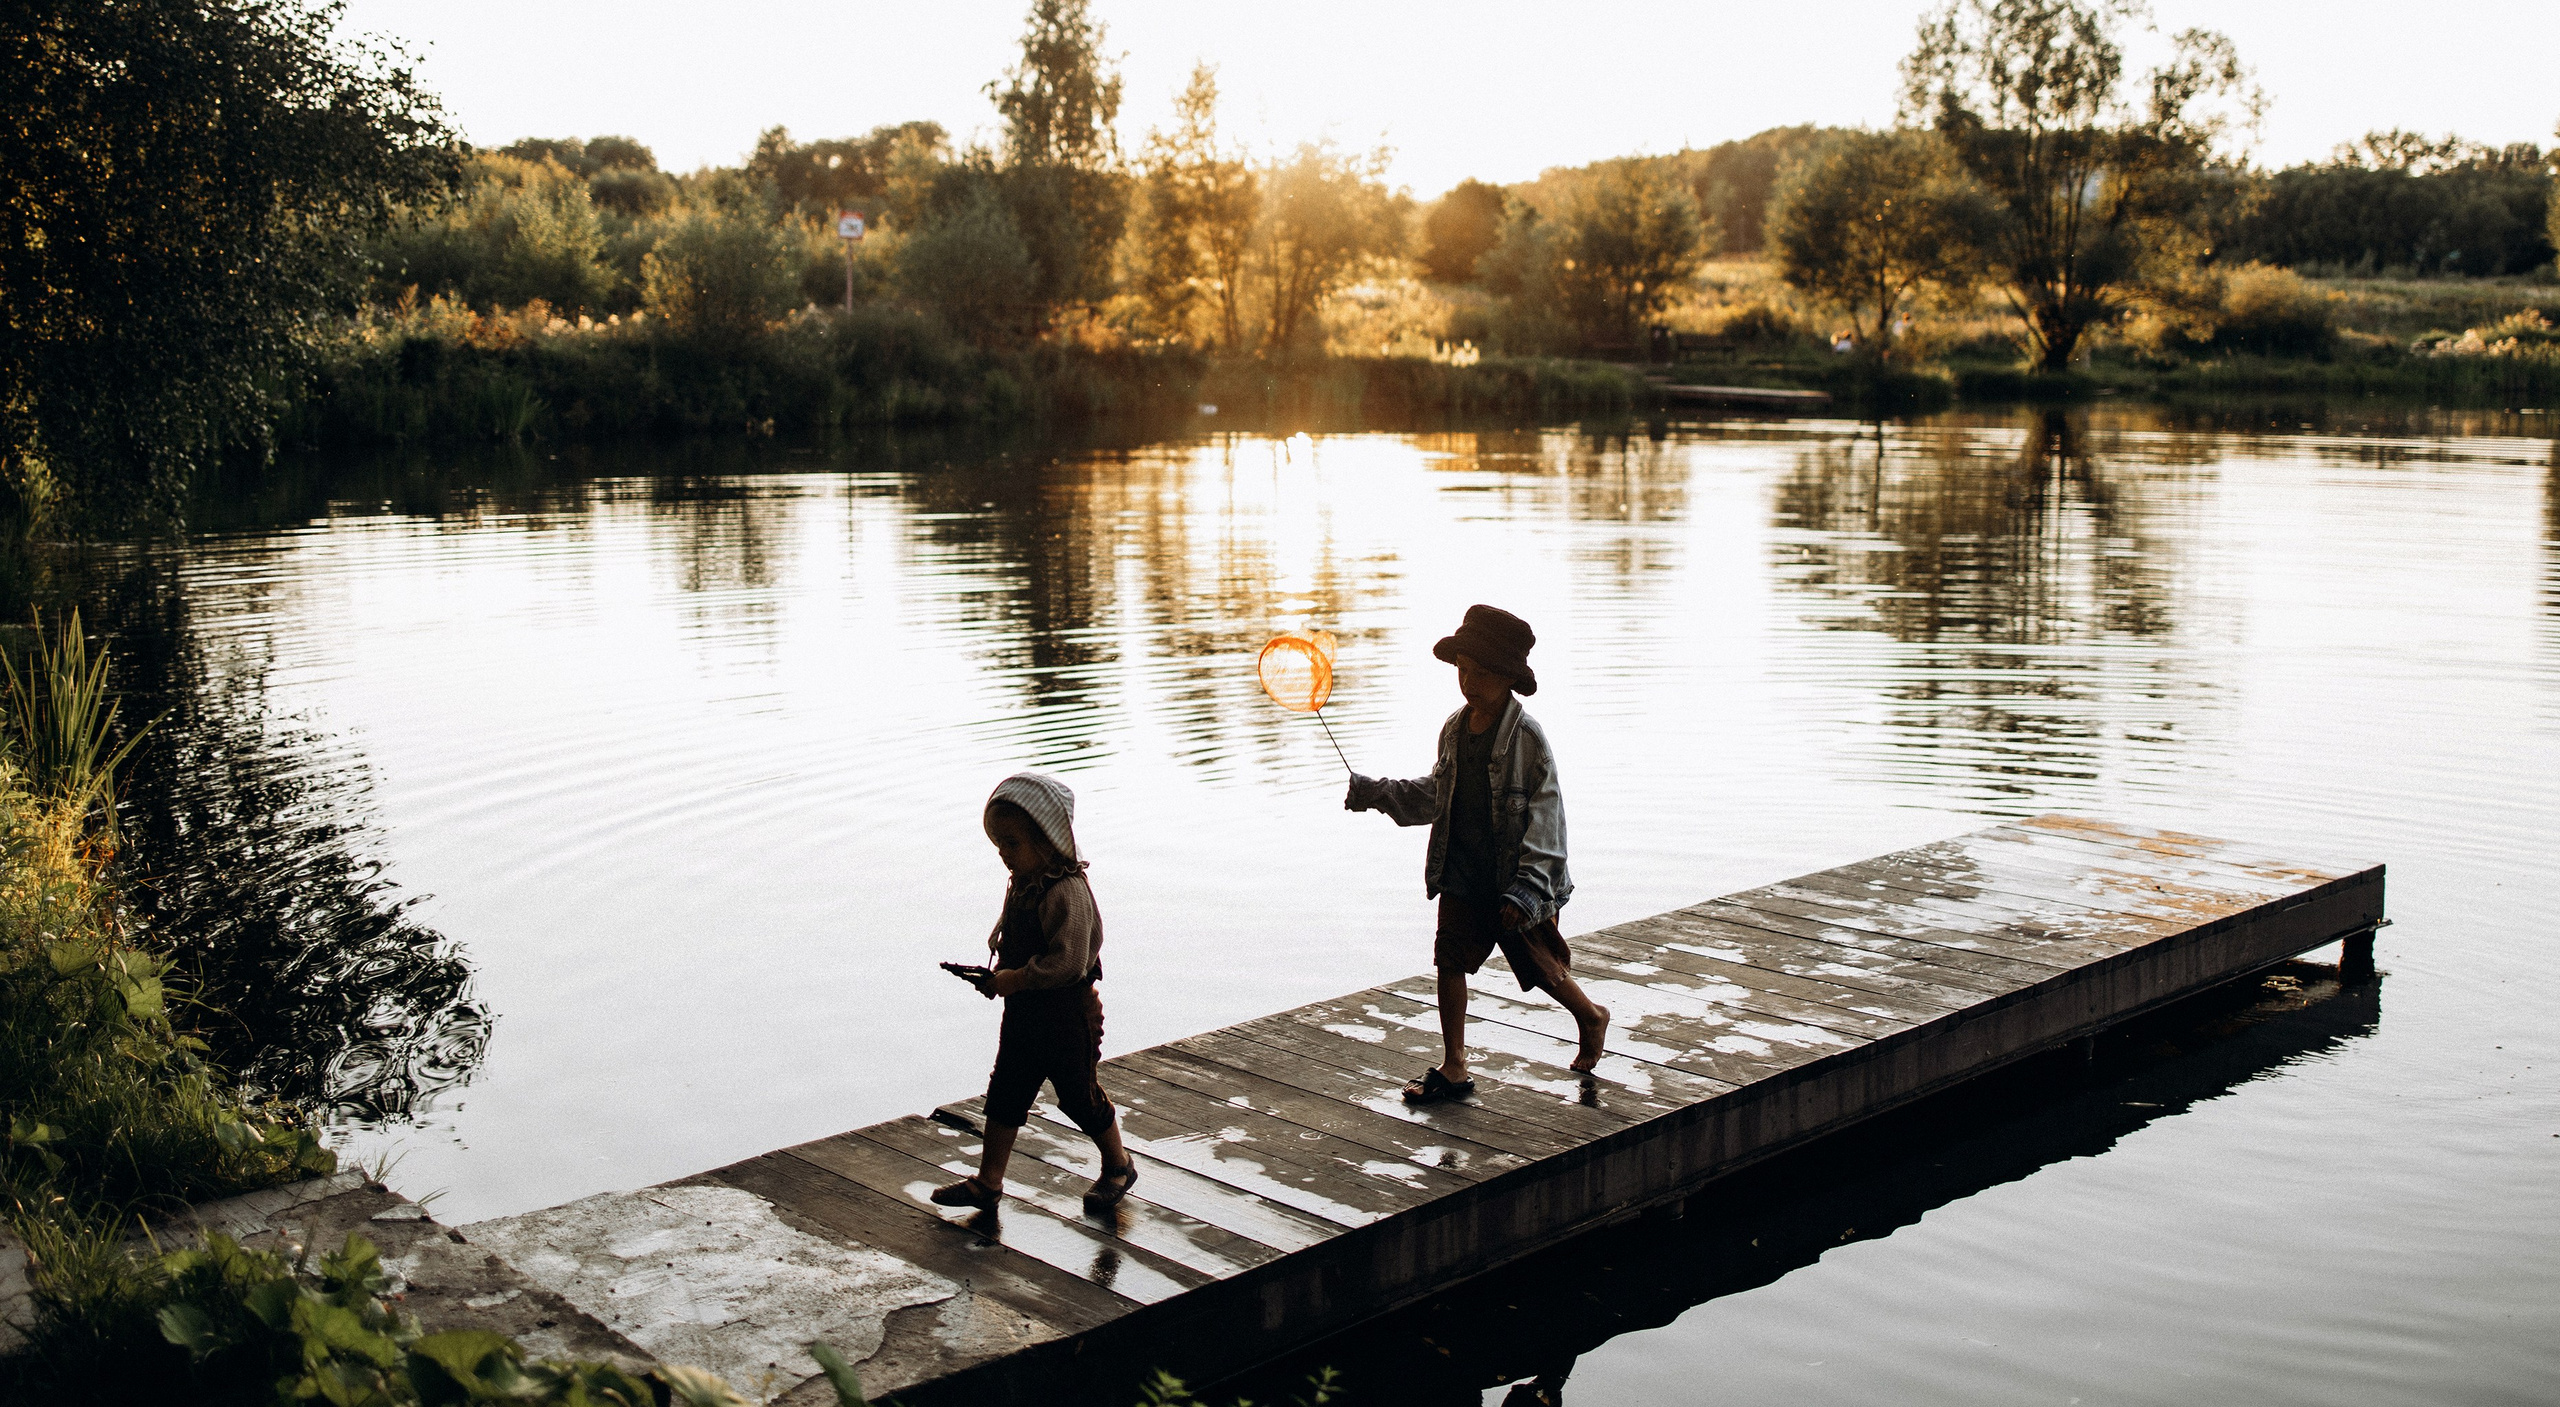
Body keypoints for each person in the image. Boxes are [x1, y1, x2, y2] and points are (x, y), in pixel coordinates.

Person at [1344, 605, 1611, 1103]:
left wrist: (1529, 886)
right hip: (1462, 870)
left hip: (1512, 877)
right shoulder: (1453, 729)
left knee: (1539, 964)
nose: (1469, 682)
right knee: (1449, 958)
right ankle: (1454, 1065)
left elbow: (1547, 817)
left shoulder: (1527, 738)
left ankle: (1591, 1015)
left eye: (1482, 673)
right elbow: (1436, 793)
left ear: (1509, 678)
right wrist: (1380, 793)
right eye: (1463, 670)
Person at [931, 772, 1138, 1212]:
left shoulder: (1066, 890)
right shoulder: (1024, 884)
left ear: (1047, 840)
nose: (1004, 853)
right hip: (1024, 1016)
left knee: (1078, 1096)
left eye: (1012, 843)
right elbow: (1014, 942)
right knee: (1005, 1093)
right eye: (998, 844)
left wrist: (1016, 979)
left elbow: (1069, 962)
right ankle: (989, 1182)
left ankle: (1118, 1164)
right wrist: (996, 977)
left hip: (1067, 1015)